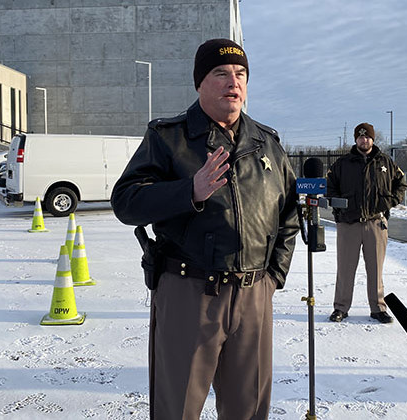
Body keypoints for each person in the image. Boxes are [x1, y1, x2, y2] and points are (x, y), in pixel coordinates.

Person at [111, 38, 299, 419]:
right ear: (200, 83)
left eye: (241, 74)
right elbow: (126, 201)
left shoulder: (267, 143)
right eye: (221, 73)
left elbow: (290, 215)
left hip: (253, 295)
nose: (234, 82)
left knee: (249, 407)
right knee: (177, 407)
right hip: (190, 292)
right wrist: (189, 191)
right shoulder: (169, 138)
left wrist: (273, 277)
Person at [326, 123, 407, 324]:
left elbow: (401, 183)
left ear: (373, 139)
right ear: (356, 139)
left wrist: (390, 201)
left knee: (376, 268)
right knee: (345, 269)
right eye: (360, 137)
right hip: (348, 224)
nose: (364, 140)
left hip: (375, 224)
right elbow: (329, 186)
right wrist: (338, 207)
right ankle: (341, 307)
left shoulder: (385, 162)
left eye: (368, 137)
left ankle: (378, 308)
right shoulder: (342, 164)